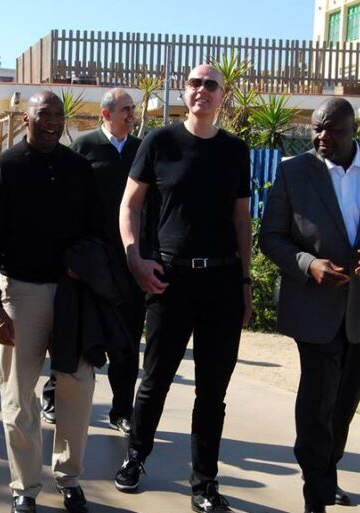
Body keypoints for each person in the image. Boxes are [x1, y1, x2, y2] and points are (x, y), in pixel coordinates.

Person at [259, 98, 360, 513]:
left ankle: (326, 472)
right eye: (317, 128)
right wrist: (308, 264)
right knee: (317, 402)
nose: (322, 137)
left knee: (344, 404)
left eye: (333, 130)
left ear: (353, 131)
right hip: (314, 308)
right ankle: (315, 492)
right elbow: (271, 237)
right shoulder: (294, 172)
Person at [114, 64, 253, 513]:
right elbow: (129, 205)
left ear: (222, 94)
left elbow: (242, 221)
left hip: (222, 282)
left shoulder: (235, 151)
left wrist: (246, 283)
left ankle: (204, 483)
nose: (202, 90)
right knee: (155, 380)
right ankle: (136, 456)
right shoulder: (160, 142)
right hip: (170, 281)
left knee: (212, 392)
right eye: (195, 83)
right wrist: (135, 257)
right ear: (185, 91)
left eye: (211, 85)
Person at [0, 90, 98, 513]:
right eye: (43, 114)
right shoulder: (4, 168)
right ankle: (24, 486)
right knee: (18, 396)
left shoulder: (79, 169)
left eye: (58, 115)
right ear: (26, 119)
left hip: (71, 297)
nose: (51, 122)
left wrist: (84, 267)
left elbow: (96, 230)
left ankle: (69, 478)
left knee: (77, 390)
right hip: (21, 293)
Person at [68, 87, 144, 435]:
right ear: (106, 114)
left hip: (130, 261)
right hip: (91, 263)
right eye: (125, 108)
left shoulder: (142, 150)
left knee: (127, 343)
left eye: (132, 108)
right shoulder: (84, 147)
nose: (131, 114)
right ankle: (56, 397)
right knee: (79, 336)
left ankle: (122, 410)